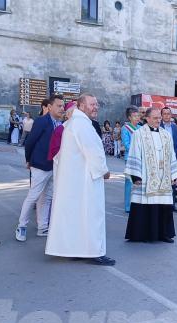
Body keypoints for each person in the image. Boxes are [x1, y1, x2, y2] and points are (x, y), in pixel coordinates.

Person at [45, 94, 114, 266]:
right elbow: (93, 151)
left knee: (77, 216)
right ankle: (93, 251)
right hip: (86, 179)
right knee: (91, 214)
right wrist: (104, 171)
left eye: (97, 104)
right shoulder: (82, 124)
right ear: (81, 106)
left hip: (77, 178)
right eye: (92, 104)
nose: (96, 107)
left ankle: (77, 249)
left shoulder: (73, 123)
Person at [125, 108, 177, 243]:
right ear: (147, 119)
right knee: (145, 204)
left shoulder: (166, 135)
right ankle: (142, 234)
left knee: (163, 204)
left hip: (163, 177)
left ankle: (164, 234)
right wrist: (135, 176)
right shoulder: (139, 134)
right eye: (155, 118)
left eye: (159, 118)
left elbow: (172, 155)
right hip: (145, 176)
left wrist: (174, 174)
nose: (158, 121)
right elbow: (134, 153)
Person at [16, 94, 63, 242]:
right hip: (40, 165)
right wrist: (28, 160)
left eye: (63, 106)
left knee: (47, 198)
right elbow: (30, 142)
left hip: (53, 167)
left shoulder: (60, 123)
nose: (62, 108)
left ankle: (43, 227)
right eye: (58, 106)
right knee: (33, 196)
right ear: (49, 107)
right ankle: (21, 226)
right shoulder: (42, 121)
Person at [161, 107, 177, 212]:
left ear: (171, 115)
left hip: (174, 158)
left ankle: (172, 205)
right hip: (161, 159)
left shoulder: (175, 127)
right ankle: (161, 204)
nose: (166, 116)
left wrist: (174, 153)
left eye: (168, 114)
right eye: (164, 114)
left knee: (173, 182)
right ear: (161, 116)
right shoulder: (158, 126)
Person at [121, 107, 141, 212]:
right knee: (129, 181)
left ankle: (137, 202)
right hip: (130, 157)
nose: (138, 118)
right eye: (135, 116)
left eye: (138, 115)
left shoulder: (140, 127)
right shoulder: (125, 128)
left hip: (140, 158)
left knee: (139, 181)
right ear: (129, 117)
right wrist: (137, 150)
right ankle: (128, 205)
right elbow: (126, 144)